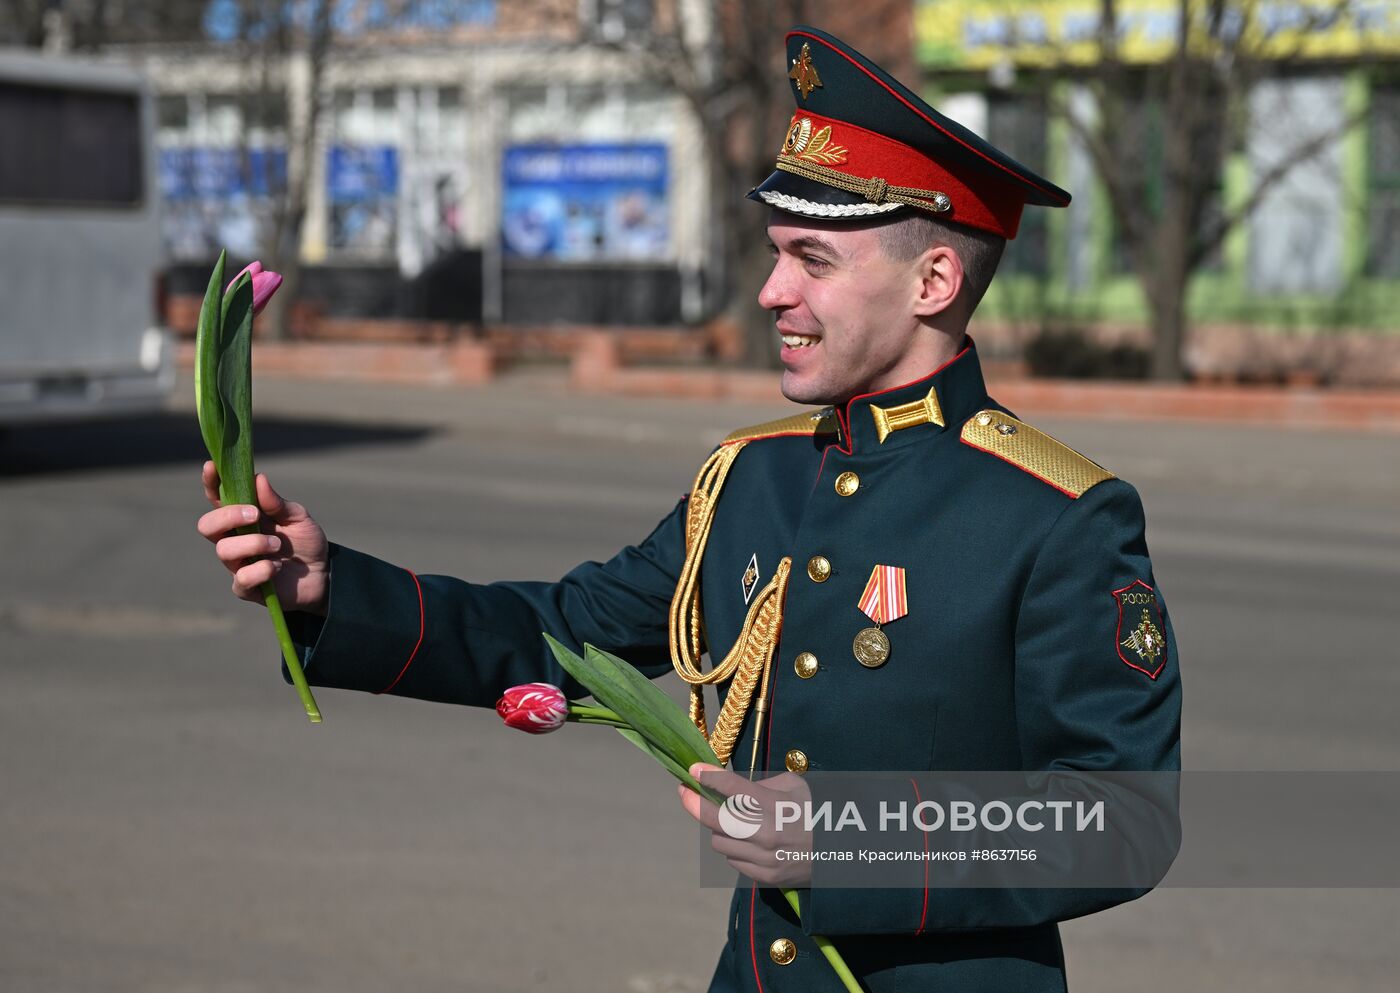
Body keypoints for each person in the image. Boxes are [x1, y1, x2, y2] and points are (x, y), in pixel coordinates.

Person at [197, 26, 1180, 993]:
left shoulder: (1056, 515)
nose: (769, 291)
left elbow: (1126, 815)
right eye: (773, 253)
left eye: (812, 259)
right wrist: (332, 592)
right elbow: (573, 633)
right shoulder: (752, 477)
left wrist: (848, 837)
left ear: (933, 281)